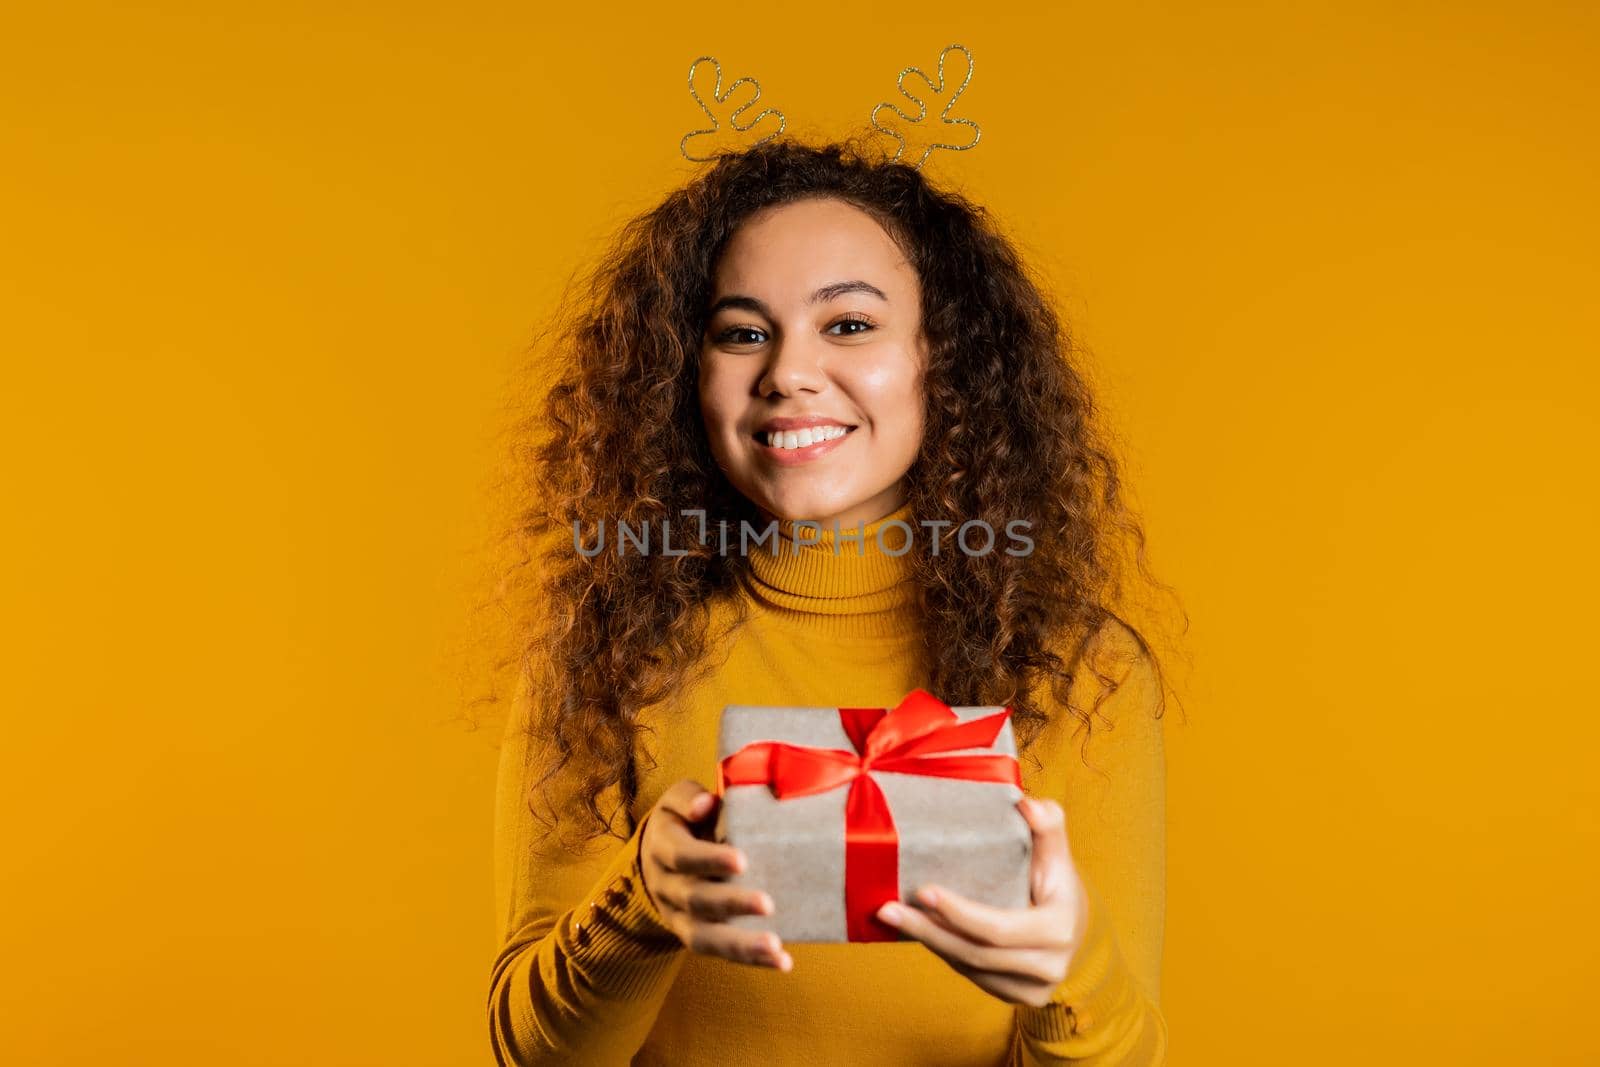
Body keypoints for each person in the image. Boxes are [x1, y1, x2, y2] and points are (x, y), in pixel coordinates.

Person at [487, 136, 1174, 1065]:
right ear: (684, 373)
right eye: (742, 331)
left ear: (945, 359)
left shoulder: (1082, 673)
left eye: (848, 324)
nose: (788, 373)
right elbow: (532, 1054)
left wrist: (1070, 976)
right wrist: (639, 901)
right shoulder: (610, 655)